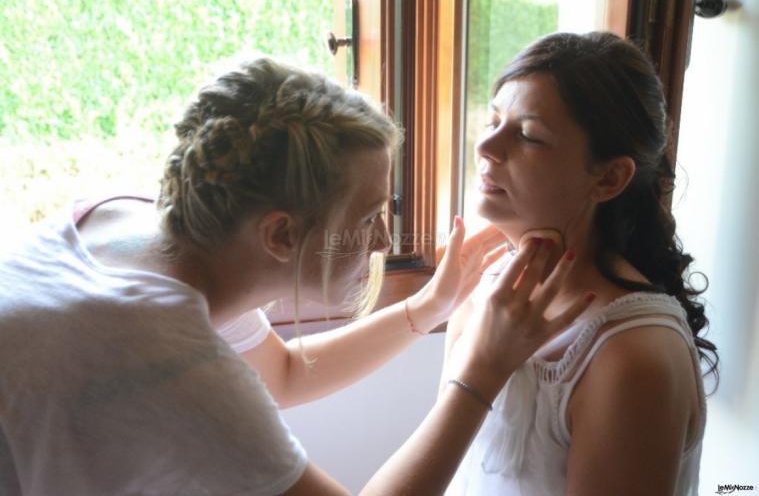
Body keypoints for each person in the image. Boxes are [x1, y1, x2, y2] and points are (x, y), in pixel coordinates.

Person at [0, 57, 593, 495]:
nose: (384, 241)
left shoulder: (129, 221)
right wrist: (480, 373)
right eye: (366, 219)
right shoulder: (164, 363)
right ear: (281, 235)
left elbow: (280, 374)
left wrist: (431, 307)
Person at [442, 31, 719, 495]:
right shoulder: (481, 295)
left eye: (528, 134)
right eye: (493, 120)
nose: (485, 147)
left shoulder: (631, 356)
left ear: (609, 178)